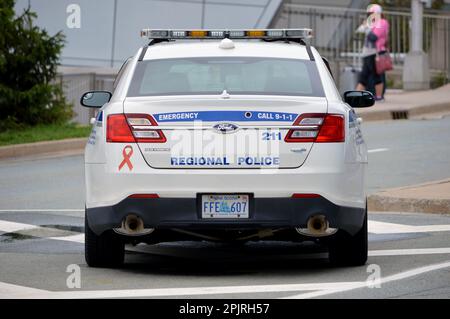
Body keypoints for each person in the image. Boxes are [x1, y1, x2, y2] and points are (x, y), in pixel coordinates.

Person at [356, 4, 390, 102]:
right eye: (369, 14)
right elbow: (358, 31)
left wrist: (367, 28)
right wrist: (365, 26)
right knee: (363, 76)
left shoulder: (382, 22)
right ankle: (356, 97)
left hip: (376, 54)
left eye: (373, 13)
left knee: (376, 76)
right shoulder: (371, 22)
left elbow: (374, 37)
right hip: (367, 53)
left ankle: (379, 97)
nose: (371, 15)